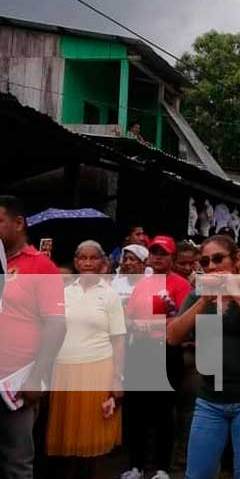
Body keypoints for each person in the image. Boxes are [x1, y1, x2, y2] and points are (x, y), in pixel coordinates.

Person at [166, 235, 240, 479]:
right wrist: (202, 302)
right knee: (197, 473)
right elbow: (172, 336)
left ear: (235, 260)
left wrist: (238, 295)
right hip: (210, 401)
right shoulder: (200, 293)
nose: (212, 266)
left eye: (218, 259)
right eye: (205, 261)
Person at [45, 241, 126, 478]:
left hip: (98, 370)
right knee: (67, 441)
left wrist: (117, 379)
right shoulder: (65, 291)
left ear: (103, 263)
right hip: (64, 370)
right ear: (76, 261)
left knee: (93, 440)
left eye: (93, 258)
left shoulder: (109, 296)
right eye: (83, 258)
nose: (88, 263)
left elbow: (119, 339)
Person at [0, 195, 66, 479]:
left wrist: (37, 376)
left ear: (18, 223)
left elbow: (56, 325)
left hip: (15, 383)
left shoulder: (42, 267)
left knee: (15, 464)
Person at [121, 236, 191, 479]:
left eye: (163, 253)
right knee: (136, 410)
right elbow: (129, 315)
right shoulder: (143, 284)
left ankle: (162, 468)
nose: (158, 257)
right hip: (139, 351)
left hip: (166, 352)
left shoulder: (181, 285)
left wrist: (154, 326)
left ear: (172, 257)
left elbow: (184, 321)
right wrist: (135, 325)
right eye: (154, 252)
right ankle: (135, 466)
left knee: (163, 411)